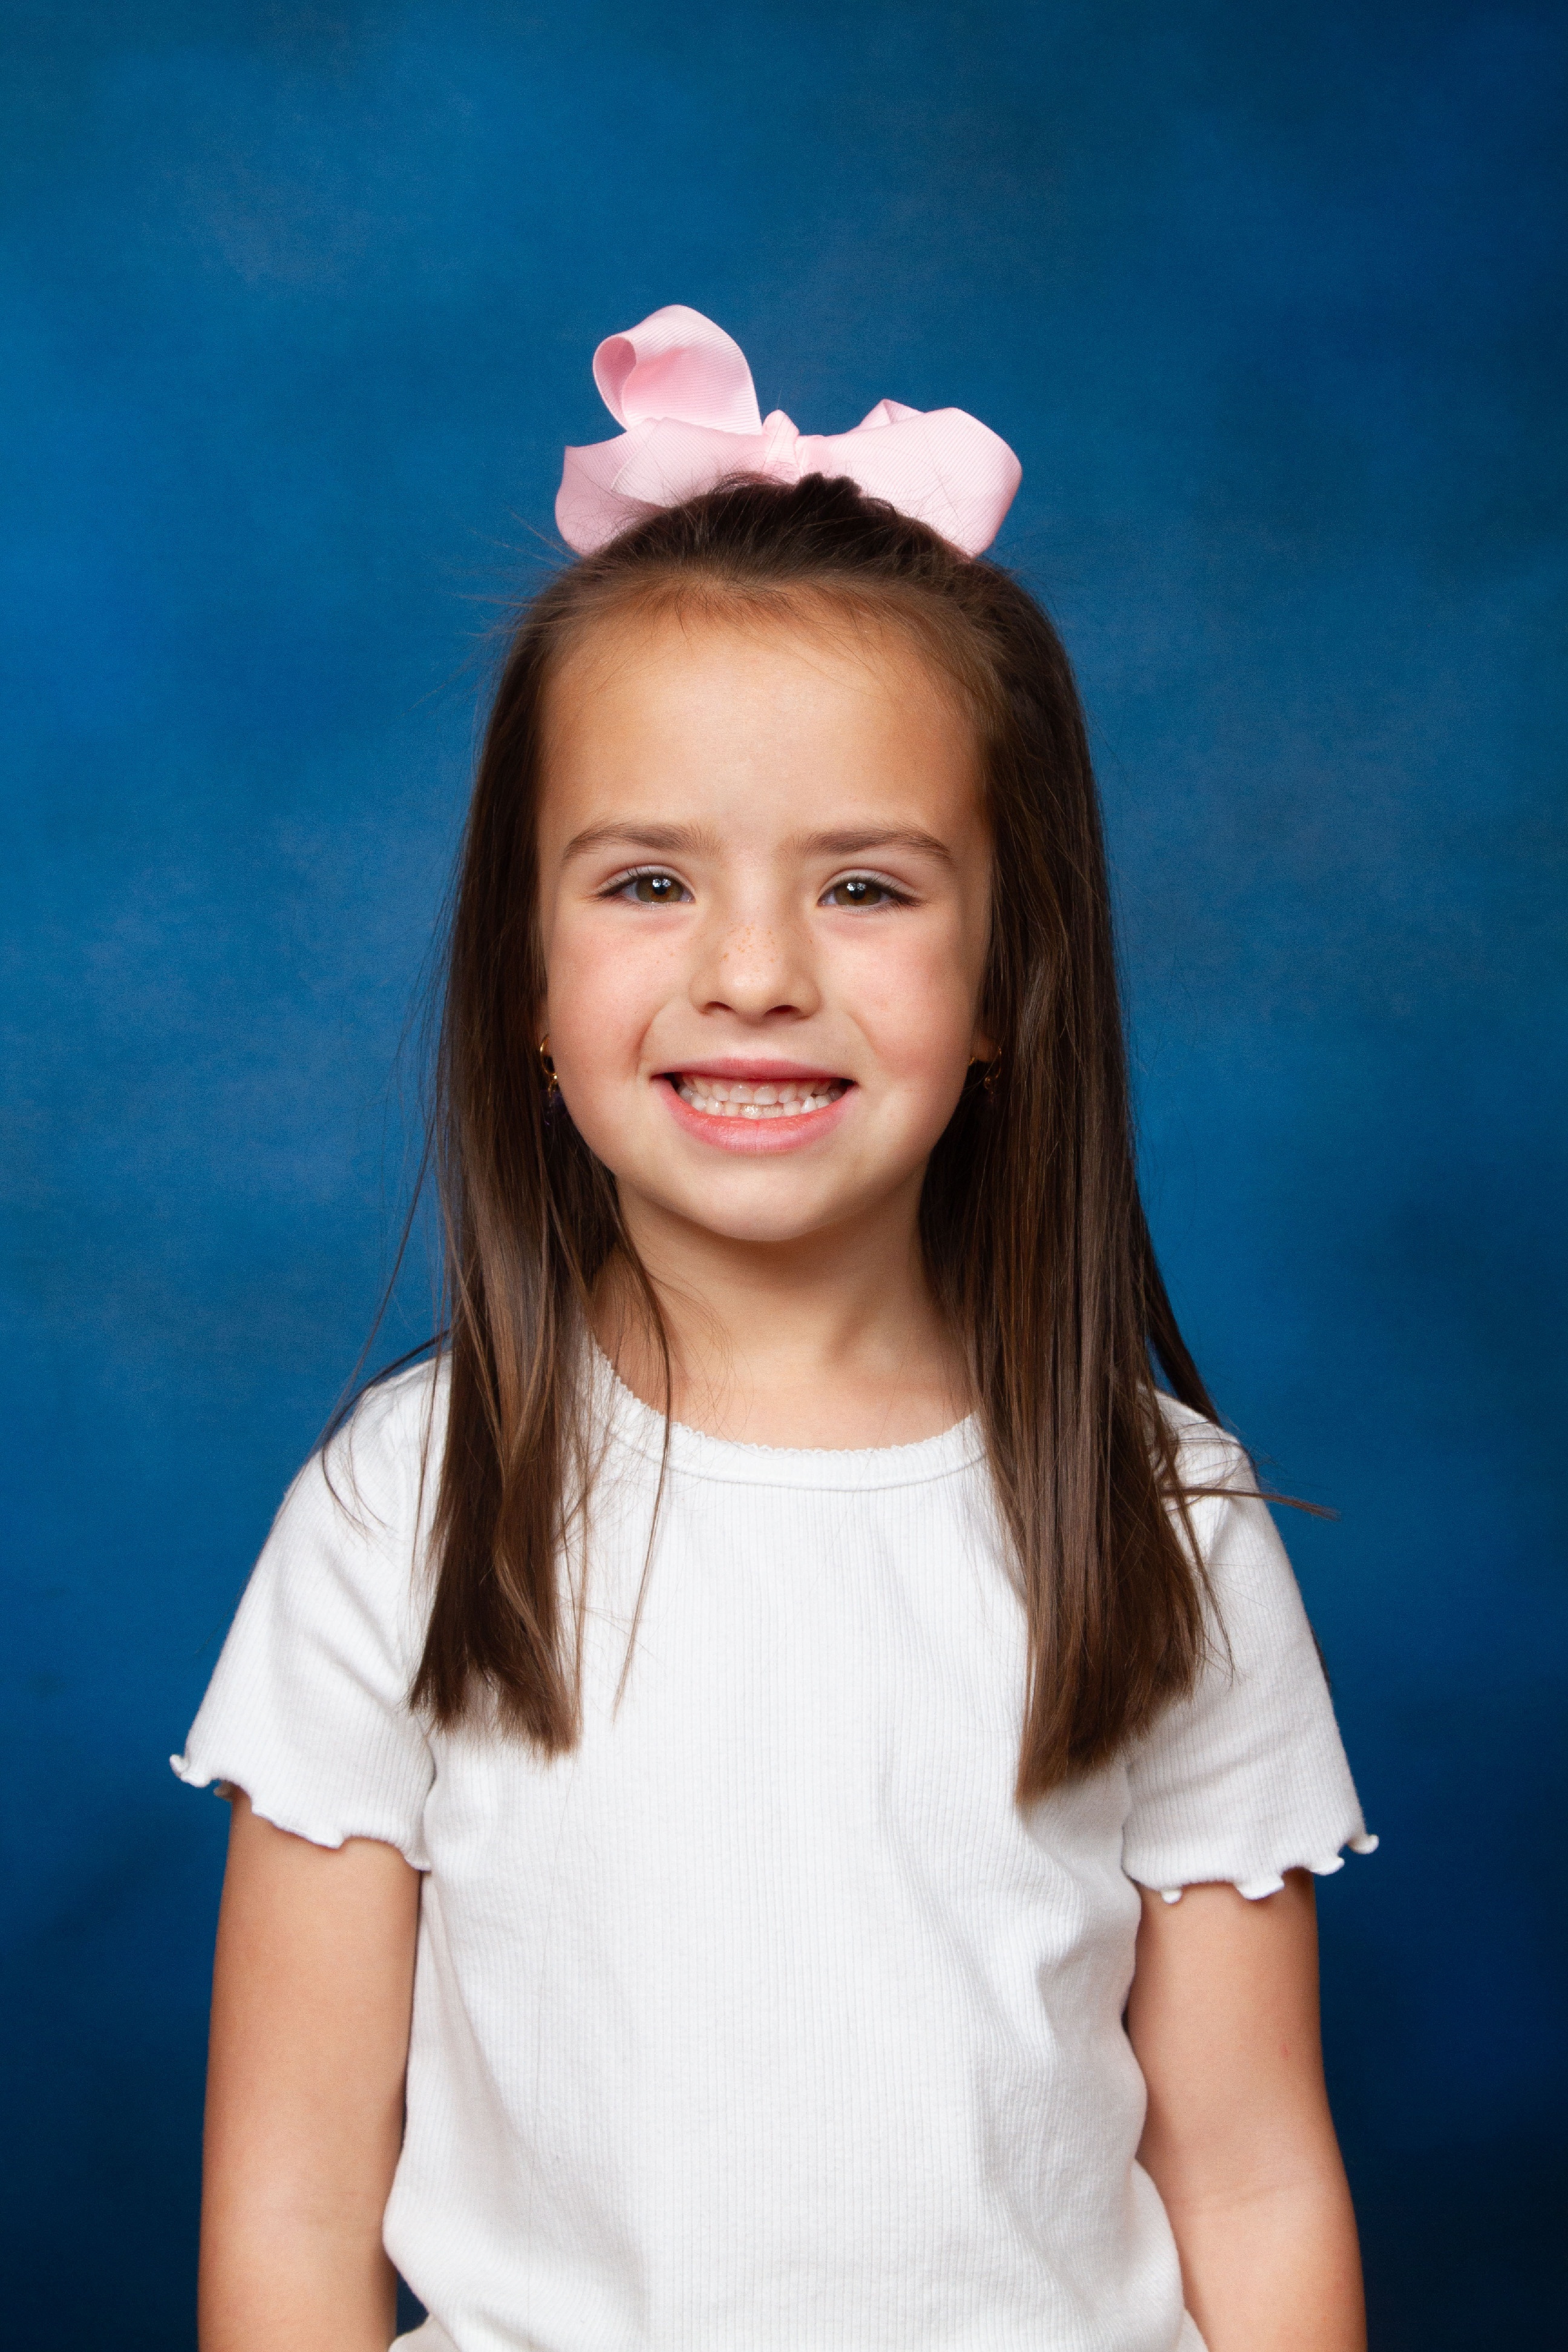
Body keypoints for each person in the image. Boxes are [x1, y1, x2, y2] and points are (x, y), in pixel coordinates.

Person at [175, 307, 1376, 2352]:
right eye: (649, 882)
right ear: (524, 978)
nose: (752, 974)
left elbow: (1254, 2180)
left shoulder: (1161, 1516)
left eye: (866, 890)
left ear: (1008, 980)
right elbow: (292, 2209)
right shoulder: (405, 1505)